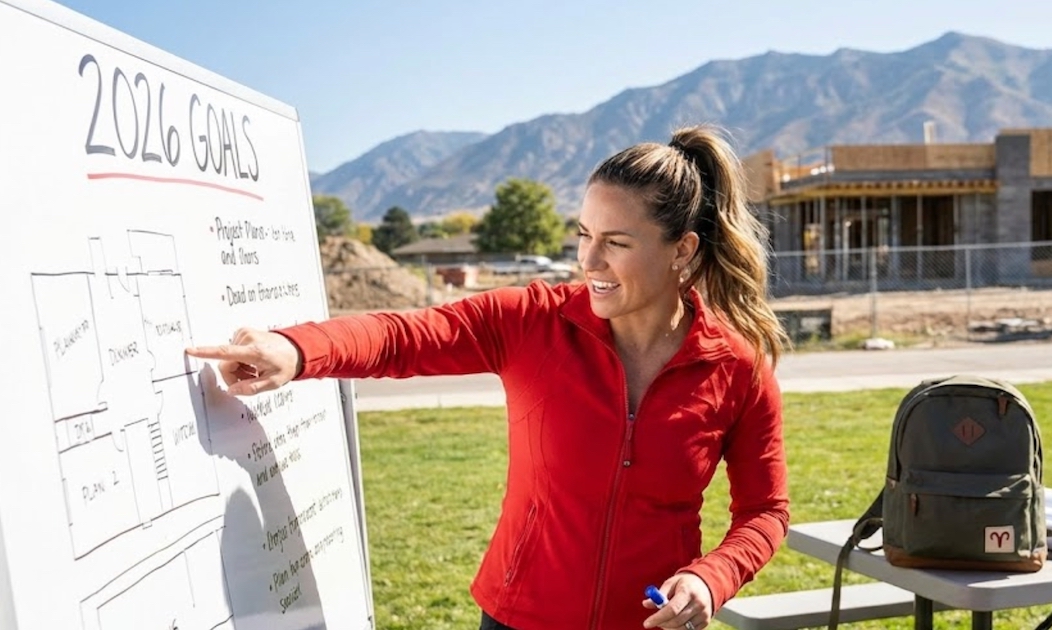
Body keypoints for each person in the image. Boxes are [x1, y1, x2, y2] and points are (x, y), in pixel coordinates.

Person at [187, 125, 791, 630]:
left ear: (682, 250)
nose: (588, 261)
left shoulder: (738, 369)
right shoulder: (532, 322)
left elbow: (765, 511)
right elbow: (402, 336)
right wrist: (296, 349)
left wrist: (711, 579)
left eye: (616, 242)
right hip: (517, 618)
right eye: (584, 235)